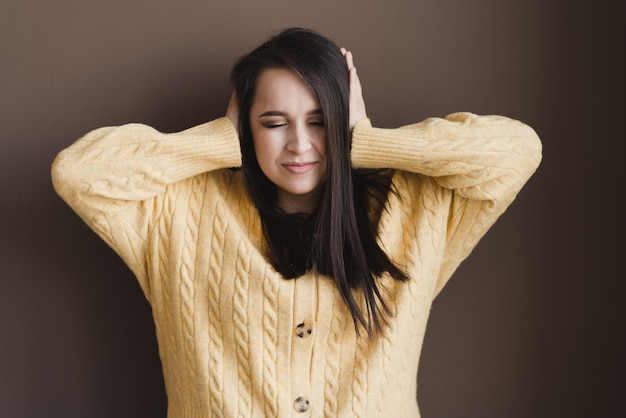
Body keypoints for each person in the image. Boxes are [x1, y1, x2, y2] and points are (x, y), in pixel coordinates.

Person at [51, 27, 542, 418]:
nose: (300, 145)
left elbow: (517, 151)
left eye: (319, 119)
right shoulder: (177, 212)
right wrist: (223, 140)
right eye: (273, 122)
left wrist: (363, 140)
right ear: (246, 125)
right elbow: (79, 172)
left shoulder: (412, 208)